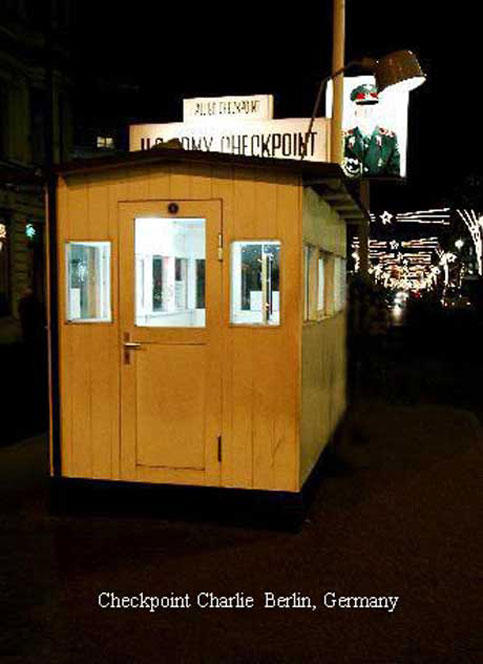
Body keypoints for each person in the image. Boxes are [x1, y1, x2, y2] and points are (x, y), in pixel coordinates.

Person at [342, 83, 400, 179]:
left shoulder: (389, 139)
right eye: (361, 104)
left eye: (372, 104)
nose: (367, 110)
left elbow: (394, 176)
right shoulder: (344, 138)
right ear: (354, 108)